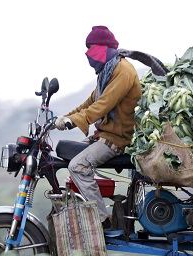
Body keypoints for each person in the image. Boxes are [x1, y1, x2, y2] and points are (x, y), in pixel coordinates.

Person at [54, 25, 141, 229]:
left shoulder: (123, 71)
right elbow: (89, 102)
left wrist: (75, 120)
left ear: (105, 47)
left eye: (92, 49)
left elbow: (103, 105)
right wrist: (64, 117)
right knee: (68, 156)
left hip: (117, 138)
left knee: (78, 166)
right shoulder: (107, 72)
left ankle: (101, 220)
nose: (89, 55)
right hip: (105, 134)